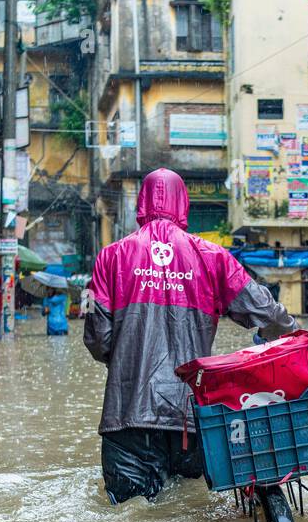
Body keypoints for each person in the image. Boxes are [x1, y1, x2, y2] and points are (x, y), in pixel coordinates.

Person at [84, 168, 296, 504]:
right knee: (184, 515)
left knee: (129, 517)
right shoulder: (212, 257)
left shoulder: (110, 257)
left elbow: (98, 338)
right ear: (185, 205)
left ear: (141, 202)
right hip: (189, 418)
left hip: (127, 415)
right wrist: (292, 333)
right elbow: (266, 312)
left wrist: (128, 357)